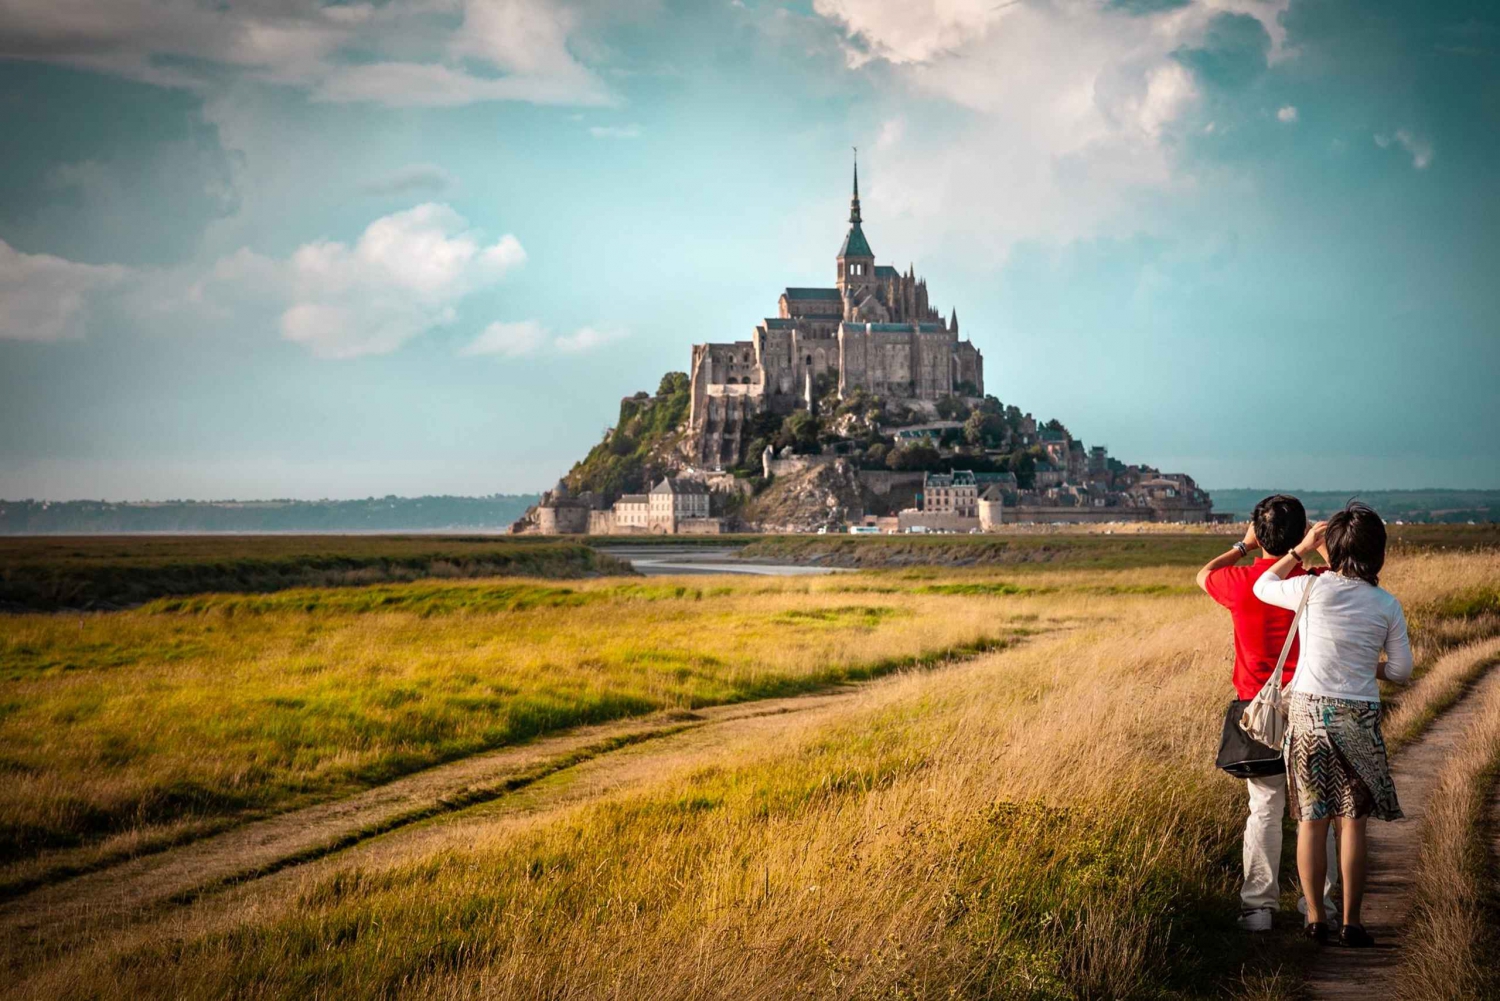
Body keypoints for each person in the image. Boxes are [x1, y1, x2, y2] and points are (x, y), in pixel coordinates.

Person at [1252, 502, 1412, 947]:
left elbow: (1263, 585)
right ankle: (1352, 922)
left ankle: (1316, 919)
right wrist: (1369, 668)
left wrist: (1300, 550)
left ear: (1332, 549)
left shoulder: (1311, 590)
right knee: (1353, 822)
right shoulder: (1386, 604)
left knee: (1311, 821)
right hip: (1358, 716)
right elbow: (1401, 671)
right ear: (1377, 552)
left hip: (1306, 715)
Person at [1196, 494, 1338, 932]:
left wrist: (1243, 546)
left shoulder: (1240, 583)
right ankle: (1325, 906)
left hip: (1258, 711)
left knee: (1264, 808)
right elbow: (1348, 577)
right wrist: (1319, 545)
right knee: (1319, 810)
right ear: (1301, 535)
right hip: (1312, 706)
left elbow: (1203, 575)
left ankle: (1259, 906)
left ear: (1260, 536)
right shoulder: (1315, 583)